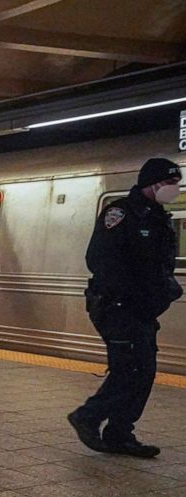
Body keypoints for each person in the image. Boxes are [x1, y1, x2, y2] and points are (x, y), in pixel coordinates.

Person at [68, 158, 183, 457]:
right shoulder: (120, 213)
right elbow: (100, 260)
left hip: (142, 309)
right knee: (128, 369)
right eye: (170, 183)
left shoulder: (158, 217)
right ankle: (88, 416)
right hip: (118, 306)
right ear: (152, 183)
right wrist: (130, 294)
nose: (175, 189)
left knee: (144, 371)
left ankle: (120, 433)